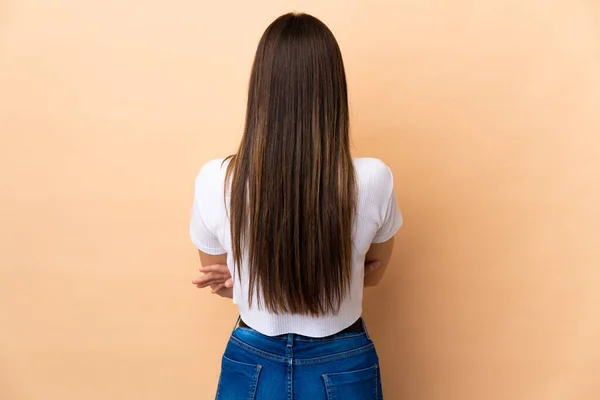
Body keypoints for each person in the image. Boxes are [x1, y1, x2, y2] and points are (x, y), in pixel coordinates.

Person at [189, 12, 402, 400]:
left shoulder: (214, 179)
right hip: (342, 362)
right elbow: (372, 274)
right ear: (333, 90)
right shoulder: (373, 179)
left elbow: (220, 280)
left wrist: (247, 278)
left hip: (251, 361)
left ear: (260, 89)